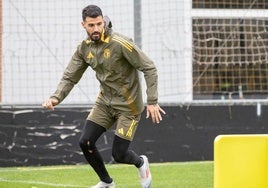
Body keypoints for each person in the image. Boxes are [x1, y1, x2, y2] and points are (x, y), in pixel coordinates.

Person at [42, 5, 166, 188]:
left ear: (103, 22)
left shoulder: (120, 43)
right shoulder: (84, 48)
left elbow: (149, 67)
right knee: (85, 142)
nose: (96, 29)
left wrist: (152, 101)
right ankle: (107, 183)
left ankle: (141, 163)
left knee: (119, 155)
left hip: (128, 107)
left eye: (99, 24)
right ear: (83, 25)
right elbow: (70, 76)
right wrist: (56, 98)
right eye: (91, 25)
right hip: (105, 103)